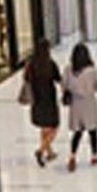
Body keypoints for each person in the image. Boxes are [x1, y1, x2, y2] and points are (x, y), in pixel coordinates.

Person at [21, 39, 63, 167]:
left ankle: (49, 153)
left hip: (37, 100)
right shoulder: (50, 64)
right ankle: (41, 150)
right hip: (49, 99)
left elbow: (25, 78)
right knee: (54, 126)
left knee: (44, 128)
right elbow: (59, 79)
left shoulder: (31, 65)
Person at [65, 43, 97, 171]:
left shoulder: (68, 69)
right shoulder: (91, 71)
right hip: (89, 104)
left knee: (78, 132)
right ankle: (94, 156)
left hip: (76, 105)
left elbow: (64, 85)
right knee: (93, 131)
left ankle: (72, 156)